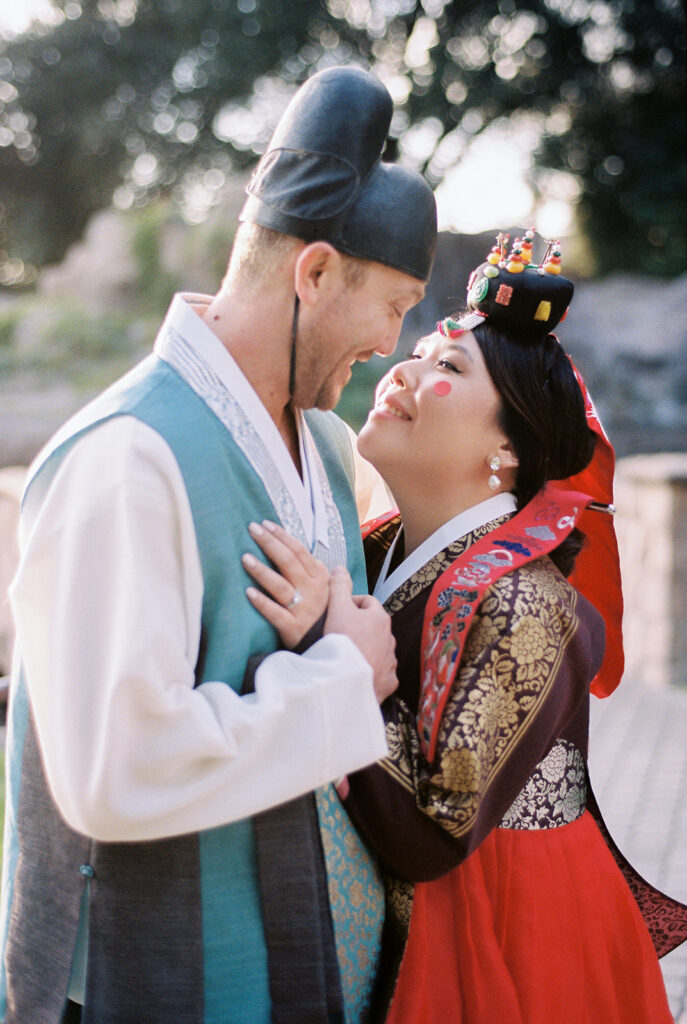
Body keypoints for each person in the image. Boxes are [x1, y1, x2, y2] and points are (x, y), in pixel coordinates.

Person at [0, 67, 437, 1024]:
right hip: (174, 986)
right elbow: (117, 770)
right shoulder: (125, 459)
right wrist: (343, 676)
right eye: (394, 305)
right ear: (313, 273)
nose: (393, 342)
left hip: (319, 972)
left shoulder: (325, 445)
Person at [243, 233, 687, 1023]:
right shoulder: (370, 546)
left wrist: (333, 656)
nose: (404, 372)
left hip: (508, 932)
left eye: (446, 368)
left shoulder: (526, 603)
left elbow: (429, 832)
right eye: (416, 353)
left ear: (508, 448)